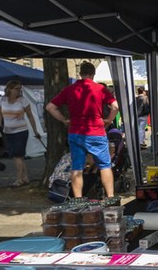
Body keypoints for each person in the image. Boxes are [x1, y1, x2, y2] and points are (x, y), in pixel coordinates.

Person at [45, 61, 119, 199]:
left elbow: (50, 107)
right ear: (93, 74)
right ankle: (110, 197)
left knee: (77, 166)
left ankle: (78, 199)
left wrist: (64, 120)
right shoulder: (100, 89)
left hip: (76, 132)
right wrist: (108, 120)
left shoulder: (69, 89)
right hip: (96, 131)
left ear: (80, 74)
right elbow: (115, 106)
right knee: (104, 165)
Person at [0, 80, 42, 187]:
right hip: (7, 132)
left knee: (17, 155)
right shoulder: (2, 99)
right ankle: (25, 177)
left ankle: (19, 179)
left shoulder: (23, 101)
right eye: (16, 88)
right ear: (9, 89)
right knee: (18, 156)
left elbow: (30, 116)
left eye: (20, 88)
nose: (19, 91)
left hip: (21, 131)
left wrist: (36, 131)